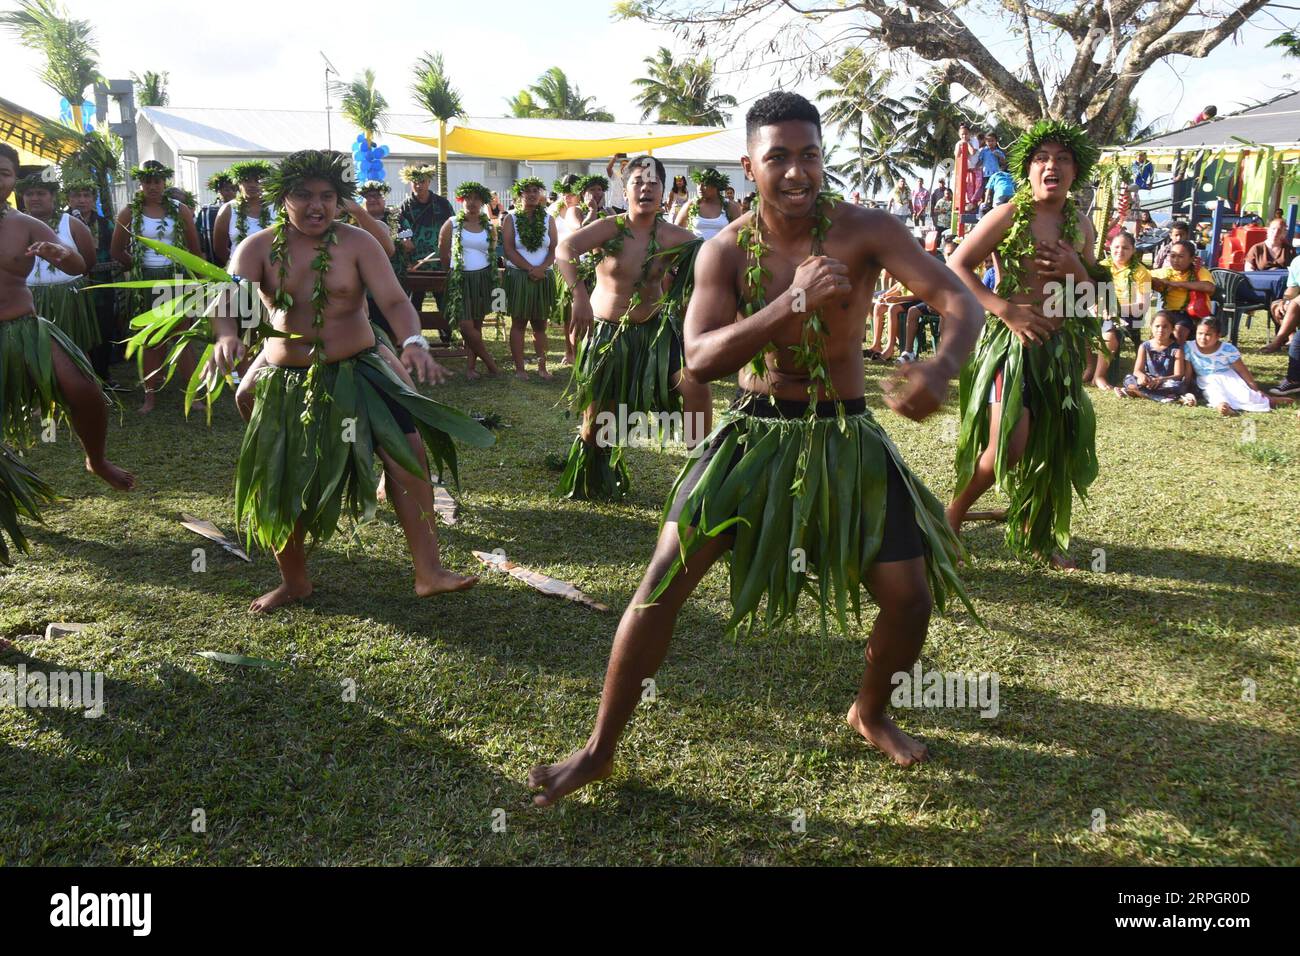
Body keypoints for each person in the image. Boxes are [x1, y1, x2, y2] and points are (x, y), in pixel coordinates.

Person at [528, 93, 984, 806]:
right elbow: (700, 358)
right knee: (657, 590)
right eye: (778, 157)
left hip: (845, 433)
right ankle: (597, 750)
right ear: (749, 165)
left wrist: (942, 366)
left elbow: (961, 302)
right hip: (752, 431)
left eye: (809, 155)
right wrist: (788, 304)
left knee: (909, 598)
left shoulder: (869, 231)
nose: (796, 171)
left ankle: (871, 709)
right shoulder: (724, 248)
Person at [180, 149, 494, 612]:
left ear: (340, 199)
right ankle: (295, 582)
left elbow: (393, 301)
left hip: (362, 369)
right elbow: (230, 303)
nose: (316, 206)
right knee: (282, 479)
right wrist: (227, 337)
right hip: (289, 379)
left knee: (410, 456)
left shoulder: (357, 243)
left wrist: (413, 341)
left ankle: (429, 572)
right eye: (303, 195)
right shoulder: (258, 248)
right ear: (282, 197)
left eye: (327, 196)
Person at [947, 120, 1105, 568]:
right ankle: (950, 520)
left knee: (1051, 444)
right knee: (1010, 447)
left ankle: (1040, 534)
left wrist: (1076, 267)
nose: (1051, 165)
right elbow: (956, 264)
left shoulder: (1082, 225)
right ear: (1028, 169)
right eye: (1042, 158)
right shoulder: (1011, 214)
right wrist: (1004, 309)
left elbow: (1094, 294)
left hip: (1060, 350)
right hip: (1013, 349)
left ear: (1076, 171)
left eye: (1062, 158)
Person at [0, 143, 134, 563]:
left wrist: (61, 253)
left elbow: (79, 265)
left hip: (22, 329)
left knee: (85, 389)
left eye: (3, 172)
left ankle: (96, 459)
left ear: (12, 181)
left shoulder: (23, 223)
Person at [554, 155, 708, 500]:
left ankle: (701, 474)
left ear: (664, 192)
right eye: (638, 182)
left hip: (655, 336)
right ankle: (592, 473)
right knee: (599, 425)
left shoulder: (677, 238)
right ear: (625, 191)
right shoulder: (612, 228)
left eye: (654, 184)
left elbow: (709, 268)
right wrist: (579, 295)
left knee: (695, 386)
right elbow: (565, 249)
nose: (646, 189)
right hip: (608, 334)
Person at [110, 159, 201, 414]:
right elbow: (116, 250)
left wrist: (199, 280)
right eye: (147, 181)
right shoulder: (130, 211)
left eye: (157, 181)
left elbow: (194, 249)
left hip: (176, 279)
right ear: (141, 183)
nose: (153, 186)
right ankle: (150, 397)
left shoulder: (179, 209)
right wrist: (139, 268)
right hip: (147, 281)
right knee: (151, 340)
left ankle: (192, 395)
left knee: (182, 338)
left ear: (165, 182)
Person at [16, 172, 98, 356]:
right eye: (29, 194)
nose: (35, 198)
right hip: (29, 297)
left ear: (53, 196)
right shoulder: (15, 225)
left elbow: (88, 262)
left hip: (67, 296)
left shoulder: (72, 224)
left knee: (73, 349)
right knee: (34, 351)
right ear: (22, 197)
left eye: (41, 193)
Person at [63, 178, 124, 387]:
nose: (81, 200)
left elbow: (119, 254)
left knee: (102, 332)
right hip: (70, 290)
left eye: (86, 196)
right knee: (75, 332)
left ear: (93, 199)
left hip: (102, 289)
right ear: (67, 199)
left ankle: (102, 376)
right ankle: (77, 377)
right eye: (76, 196)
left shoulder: (106, 224)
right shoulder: (60, 222)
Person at [439, 181, 501, 379]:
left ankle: (471, 368)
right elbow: (443, 252)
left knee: (476, 325)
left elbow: (492, 251)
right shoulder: (452, 223)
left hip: (482, 277)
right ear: (462, 200)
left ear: (482, 202)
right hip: (460, 278)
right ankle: (491, 364)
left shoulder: (487, 226)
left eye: (476, 199)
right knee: (466, 326)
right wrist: (454, 272)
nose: (472, 202)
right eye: (468, 198)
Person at [501, 176, 558, 380]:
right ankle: (520, 369)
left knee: (540, 324)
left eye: (536, 190)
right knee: (518, 323)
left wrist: (541, 268)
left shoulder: (548, 218)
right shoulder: (511, 218)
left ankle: (542, 367)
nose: (532, 194)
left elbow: (553, 248)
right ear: (520, 195)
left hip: (543, 275)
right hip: (519, 275)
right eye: (528, 191)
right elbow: (508, 249)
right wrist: (530, 269)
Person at [397, 164, 455, 343]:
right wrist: (405, 240)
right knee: (414, 302)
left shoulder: (442, 204)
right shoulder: (405, 206)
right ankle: (413, 338)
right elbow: (400, 226)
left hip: (439, 260)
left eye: (422, 181)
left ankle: (447, 337)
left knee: (443, 301)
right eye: (415, 182)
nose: (419, 185)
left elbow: (453, 224)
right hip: (415, 263)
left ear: (429, 181)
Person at [1183, 316, 1286, 414]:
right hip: (1207, 379)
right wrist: (1185, 388)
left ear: (1218, 335)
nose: (1202, 338)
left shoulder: (1227, 349)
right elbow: (1188, 371)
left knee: (1245, 395)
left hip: (1228, 377)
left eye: (1208, 334)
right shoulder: (1190, 347)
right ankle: (1223, 406)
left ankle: (1271, 400)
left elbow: (1242, 370)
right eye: (1199, 333)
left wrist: (1255, 388)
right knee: (1213, 393)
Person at [1090, 231, 1151, 388]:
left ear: (1133, 250)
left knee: (1109, 331)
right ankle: (1089, 367)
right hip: (1102, 311)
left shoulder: (1141, 272)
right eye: (1116, 247)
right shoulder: (1102, 267)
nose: (1120, 251)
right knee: (1078, 324)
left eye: (1125, 248)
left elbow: (1142, 306)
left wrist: (1115, 309)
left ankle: (1099, 376)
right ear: (1110, 248)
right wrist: (1094, 306)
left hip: (1127, 314)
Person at [1115, 311, 1193, 404]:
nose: (1160, 330)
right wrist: (1142, 377)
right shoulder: (1144, 346)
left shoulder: (1176, 349)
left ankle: (1135, 392)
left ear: (1172, 329)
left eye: (1165, 327)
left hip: (1165, 381)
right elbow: (1137, 371)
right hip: (1148, 381)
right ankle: (1165, 398)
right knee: (1129, 379)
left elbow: (1178, 375)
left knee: (1178, 385)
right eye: (1157, 326)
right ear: (1151, 327)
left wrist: (1160, 380)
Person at [1151, 241, 1215, 345]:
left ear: (1191, 258)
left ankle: (1179, 357)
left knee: (1179, 331)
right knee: (1159, 324)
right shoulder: (1166, 271)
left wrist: (1176, 284)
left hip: (1192, 315)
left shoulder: (1199, 271)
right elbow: (1146, 275)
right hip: (1169, 313)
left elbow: (1209, 287)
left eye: (1181, 256)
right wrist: (1155, 282)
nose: (1176, 260)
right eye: (1172, 256)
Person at [213, 160, 274, 267]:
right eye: (247, 180)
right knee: (249, 285)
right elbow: (219, 248)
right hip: (241, 272)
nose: (253, 185)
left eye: (257, 180)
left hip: (272, 270)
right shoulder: (228, 209)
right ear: (238, 183)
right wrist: (238, 265)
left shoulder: (276, 207)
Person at [673, 167, 742, 240]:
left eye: (705, 184)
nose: (700, 188)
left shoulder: (730, 206)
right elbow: (676, 230)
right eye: (698, 184)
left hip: (721, 250)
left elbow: (740, 233)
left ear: (715, 186)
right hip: (697, 250)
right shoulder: (691, 205)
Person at [1263, 254, 1300, 358]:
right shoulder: (1297, 261)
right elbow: (1293, 288)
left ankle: (1277, 341)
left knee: (1295, 303)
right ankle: (1292, 340)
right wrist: (1285, 300)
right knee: (1276, 305)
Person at [197, 169, 237, 262]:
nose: (231, 192)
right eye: (227, 189)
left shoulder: (242, 210)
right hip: (213, 258)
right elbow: (199, 236)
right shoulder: (207, 211)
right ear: (218, 191)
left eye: (234, 189)